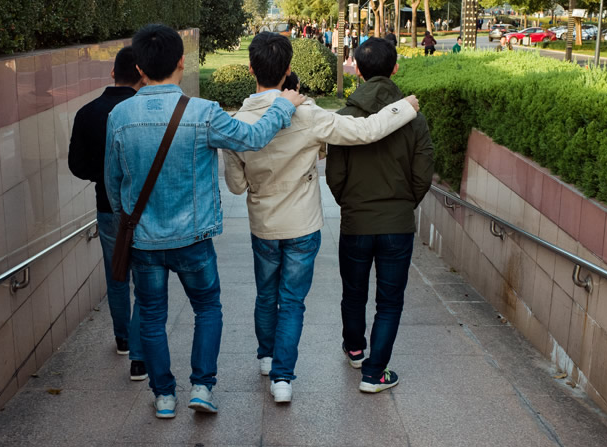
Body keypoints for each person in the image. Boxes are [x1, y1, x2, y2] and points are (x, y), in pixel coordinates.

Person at [105, 24, 307, 419]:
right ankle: (202, 387)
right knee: (207, 308)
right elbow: (253, 137)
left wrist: (128, 222)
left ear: (139, 68)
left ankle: (164, 396)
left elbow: (114, 182)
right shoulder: (202, 113)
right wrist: (284, 104)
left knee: (150, 316)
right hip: (193, 239)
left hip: (144, 241)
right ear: (182, 62)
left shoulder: (119, 116)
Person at [223, 33, 419, 404]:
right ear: (288, 71)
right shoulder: (308, 115)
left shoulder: (238, 122)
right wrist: (403, 107)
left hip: (263, 225)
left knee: (267, 294)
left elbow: (234, 186)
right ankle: (283, 378)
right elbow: (365, 132)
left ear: (251, 69)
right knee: (292, 301)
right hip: (303, 225)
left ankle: (266, 358)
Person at [326, 37, 434, 393]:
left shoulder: (344, 119)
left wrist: (352, 204)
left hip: (356, 221)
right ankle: (374, 373)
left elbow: (335, 177)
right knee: (390, 301)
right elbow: (422, 177)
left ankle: (355, 349)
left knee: (353, 292)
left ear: (357, 69)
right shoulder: (414, 120)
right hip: (397, 224)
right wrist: (402, 206)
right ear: (395, 68)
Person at [68, 46, 147, 381]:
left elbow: (77, 166)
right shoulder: (143, 112)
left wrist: (102, 174)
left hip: (107, 207)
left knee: (117, 276)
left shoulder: (87, 113)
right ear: (142, 75)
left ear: (113, 73)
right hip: (144, 209)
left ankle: (123, 339)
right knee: (146, 279)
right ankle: (140, 357)